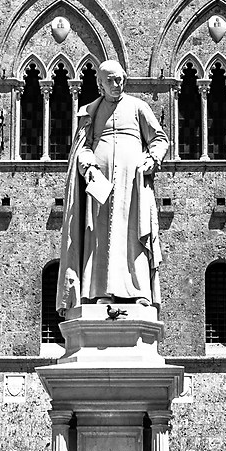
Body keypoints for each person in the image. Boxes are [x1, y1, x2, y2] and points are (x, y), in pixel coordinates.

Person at [58, 59, 169, 310]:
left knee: (133, 234)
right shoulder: (91, 112)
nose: (116, 84)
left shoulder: (138, 107)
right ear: (100, 83)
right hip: (101, 184)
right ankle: (101, 292)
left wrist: (152, 159)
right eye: (110, 80)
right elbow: (83, 147)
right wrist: (87, 166)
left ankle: (139, 291)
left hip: (133, 183)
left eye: (119, 79)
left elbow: (159, 139)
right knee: (100, 237)